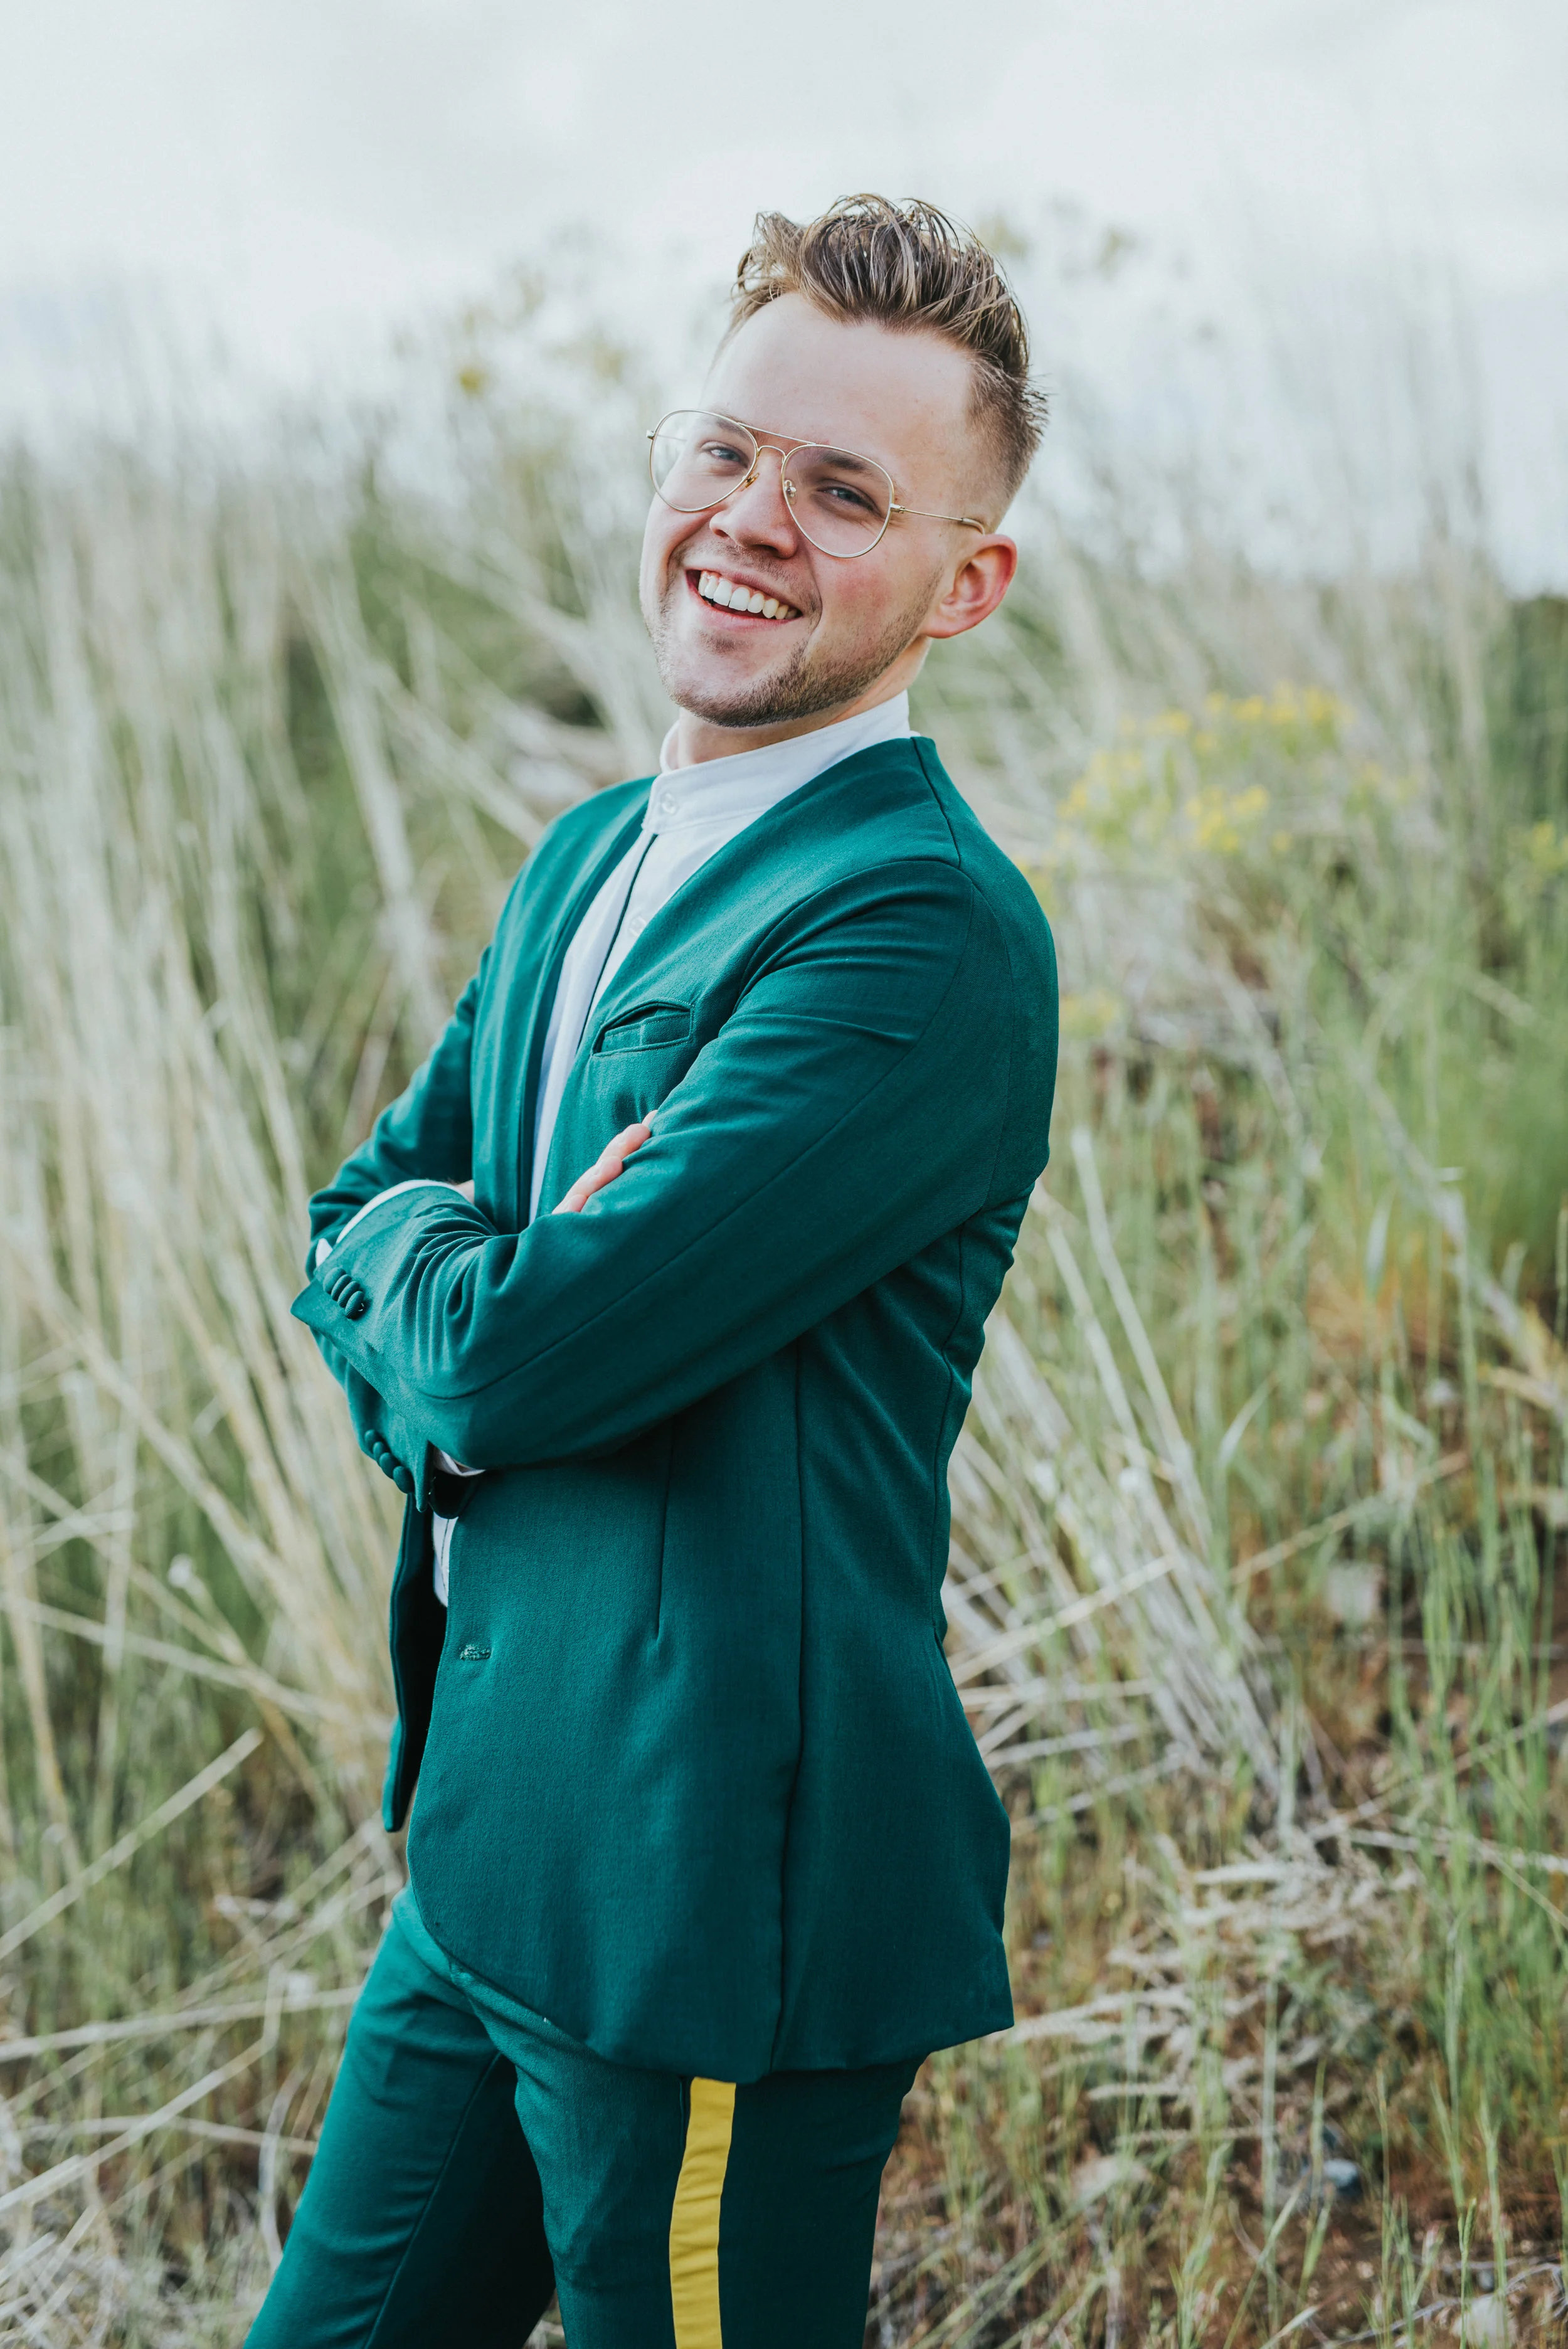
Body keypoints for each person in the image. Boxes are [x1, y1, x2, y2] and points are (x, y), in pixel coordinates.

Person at [252, 193, 1059, 2349]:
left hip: (703, 1894)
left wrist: (461, 1292)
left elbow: (503, 1367)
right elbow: (360, 1215)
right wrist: (456, 1268)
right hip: (491, 1836)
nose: (751, 519)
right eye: (724, 448)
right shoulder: (591, 851)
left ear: (964, 583)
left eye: (845, 491)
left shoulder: (916, 934)